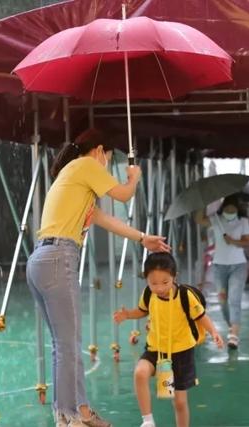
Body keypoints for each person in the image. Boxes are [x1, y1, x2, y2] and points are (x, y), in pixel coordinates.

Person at [26, 128, 169, 427]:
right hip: (58, 258)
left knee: (63, 344)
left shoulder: (73, 177)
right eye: (107, 158)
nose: (105, 164)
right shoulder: (86, 165)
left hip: (40, 260)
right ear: (100, 151)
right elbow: (123, 195)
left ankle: (79, 411)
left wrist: (143, 238)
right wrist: (133, 177)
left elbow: (107, 220)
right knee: (67, 345)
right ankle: (69, 417)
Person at [113, 252, 223, 427]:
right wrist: (127, 315)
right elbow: (143, 310)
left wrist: (214, 332)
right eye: (153, 283)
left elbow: (201, 315)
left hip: (181, 352)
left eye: (165, 282)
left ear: (174, 276)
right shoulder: (149, 294)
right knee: (140, 373)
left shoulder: (185, 295)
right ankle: (148, 421)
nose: (160, 288)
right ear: (147, 280)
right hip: (155, 349)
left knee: (179, 402)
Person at [195, 195, 249, 350]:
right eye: (227, 208)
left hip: (238, 265)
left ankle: (234, 334)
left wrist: (232, 241)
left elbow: (246, 241)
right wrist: (203, 203)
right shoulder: (216, 219)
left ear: (237, 208)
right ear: (223, 207)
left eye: (233, 208)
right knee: (223, 301)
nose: (230, 210)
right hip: (219, 266)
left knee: (234, 299)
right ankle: (231, 326)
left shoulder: (243, 222)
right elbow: (199, 219)